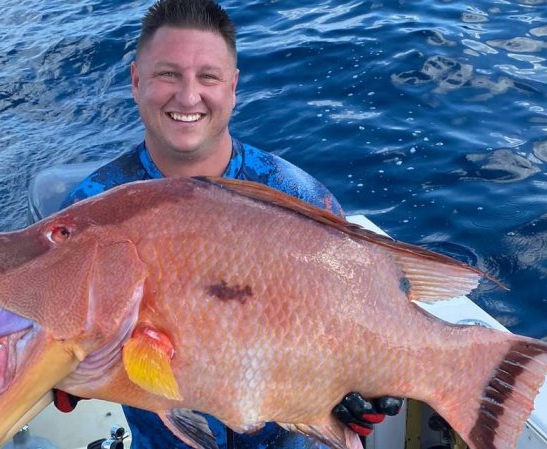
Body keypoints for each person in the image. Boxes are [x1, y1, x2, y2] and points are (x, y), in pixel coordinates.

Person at [55, 0, 402, 447]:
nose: (187, 96)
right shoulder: (90, 210)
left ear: (233, 87)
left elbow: (369, 318)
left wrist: (365, 393)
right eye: (167, 74)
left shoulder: (298, 197)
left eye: (208, 77)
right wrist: (58, 380)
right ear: (137, 82)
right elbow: (54, 342)